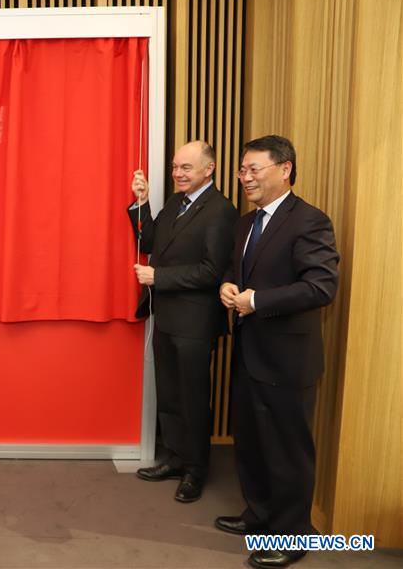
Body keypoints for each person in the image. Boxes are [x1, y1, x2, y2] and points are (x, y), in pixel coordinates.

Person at [217, 135, 339, 569]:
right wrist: (228, 286)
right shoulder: (246, 223)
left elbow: (320, 286)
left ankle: (293, 536)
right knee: (251, 444)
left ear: (284, 169)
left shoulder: (309, 220)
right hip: (250, 355)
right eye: (242, 170)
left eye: (254, 169)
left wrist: (257, 301)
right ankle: (260, 515)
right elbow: (239, 270)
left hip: (288, 362)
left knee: (288, 452)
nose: (245, 178)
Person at [128, 140, 238, 503]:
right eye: (176, 167)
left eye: (186, 168)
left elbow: (212, 271)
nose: (178, 174)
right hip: (168, 316)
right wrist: (142, 203)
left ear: (209, 169)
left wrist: (160, 278)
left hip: (196, 320)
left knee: (192, 397)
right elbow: (150, 241)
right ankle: (175, 458)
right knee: (171, 393)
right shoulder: (176, 202)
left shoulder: (221, 210)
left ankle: (196, 470)